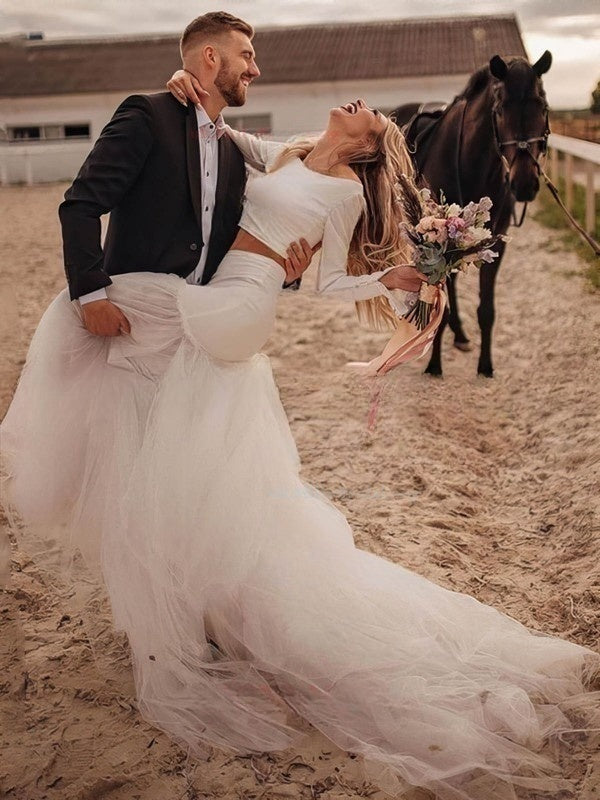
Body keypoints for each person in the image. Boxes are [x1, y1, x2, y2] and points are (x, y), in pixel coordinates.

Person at [2, 39, 598, 800]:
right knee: (168, 429)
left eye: (371, 115)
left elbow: (328, 282)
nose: (360, 106)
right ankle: (188, 578)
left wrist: (397, 277)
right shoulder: (282, 151)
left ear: (370, 145)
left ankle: (167, 588)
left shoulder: (347, 190)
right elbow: (215, 133)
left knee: (112, 328)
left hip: (239, 307)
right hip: (220, 298)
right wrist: (184, 79)